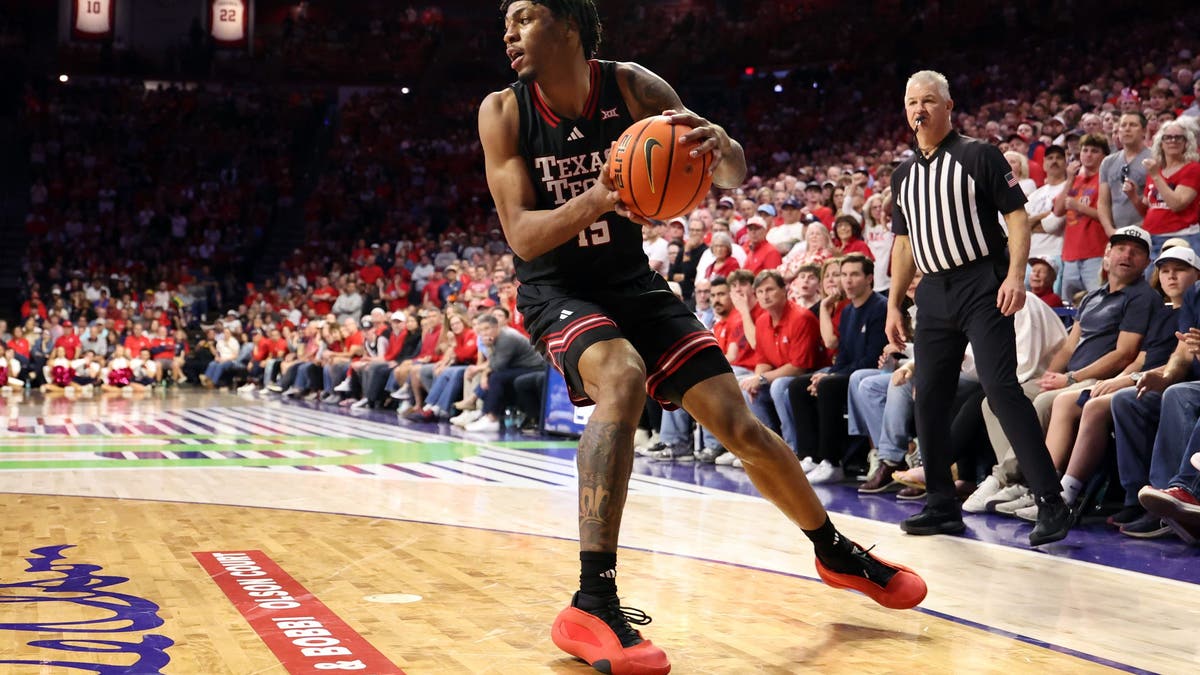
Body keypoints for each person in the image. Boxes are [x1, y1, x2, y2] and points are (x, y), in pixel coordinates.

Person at [479, 3, 926, 672]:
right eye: (506, 22)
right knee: (622, 377)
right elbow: (522, 235)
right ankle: (591, 600)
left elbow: (731, 172)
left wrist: (722, 146)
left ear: (568, 22)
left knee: (737, 424)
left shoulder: (632, 86)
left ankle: (833, 550)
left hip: (631, 282)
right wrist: (600, 197)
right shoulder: (504, 112)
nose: (509, 32)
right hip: (557, 290)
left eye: (524, 17)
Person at [885, 70, 1072, 546]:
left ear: (948, 106)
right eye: (912, 102)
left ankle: (1051, 499)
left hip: (981, 282)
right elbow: (903, 244)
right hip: (933, 291)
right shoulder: (902, 175)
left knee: (1001, 387)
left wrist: (1015, 275)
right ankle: (941, 505)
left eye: (929, 100)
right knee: (928, 397)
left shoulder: (979, 155)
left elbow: (1017, 217)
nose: (919, 108)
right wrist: (894, 305)